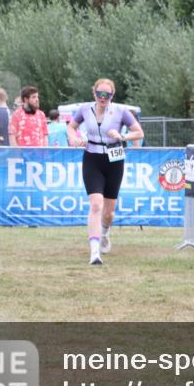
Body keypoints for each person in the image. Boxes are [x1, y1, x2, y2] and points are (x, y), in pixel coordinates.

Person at [68, 79, 144, 266]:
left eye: (107, 95)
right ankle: (94, 252)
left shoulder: (121, 111)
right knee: (96, 205)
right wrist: (74, 139)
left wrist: (122, 136)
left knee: (109, 212)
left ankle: (104, 233)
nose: (103, 98)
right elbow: (71, 127)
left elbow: (139, 132)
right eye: (100, 94)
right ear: (94, 93)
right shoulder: (85, 109)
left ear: (112, 95)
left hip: (114, 159)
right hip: (92, 158)